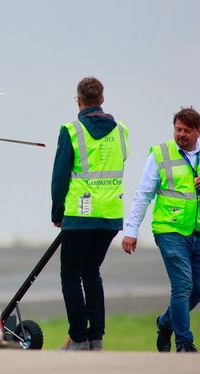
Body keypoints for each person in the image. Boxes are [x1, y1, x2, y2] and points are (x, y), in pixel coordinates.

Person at [121, 107, 200, 353]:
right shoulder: (160, 154)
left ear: (198, 131)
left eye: (186, 131)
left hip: (199, 230)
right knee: (182, 286)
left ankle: (165, 322)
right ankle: (184, 343)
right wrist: (131, 230)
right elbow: (143, 195)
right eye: (178, 129)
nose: (181, 134)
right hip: (169, 230)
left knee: (199, 290)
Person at [51, 76, 129, 351]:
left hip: (80, 213)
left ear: (78, 101)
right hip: (110, 214)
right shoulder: (121, 130)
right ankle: (96, 338)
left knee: (71, 274)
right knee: (92, 272)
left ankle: (78, 339)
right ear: (102, 99)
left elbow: (60, 175)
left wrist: (57, 212)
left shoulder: (71, 130)